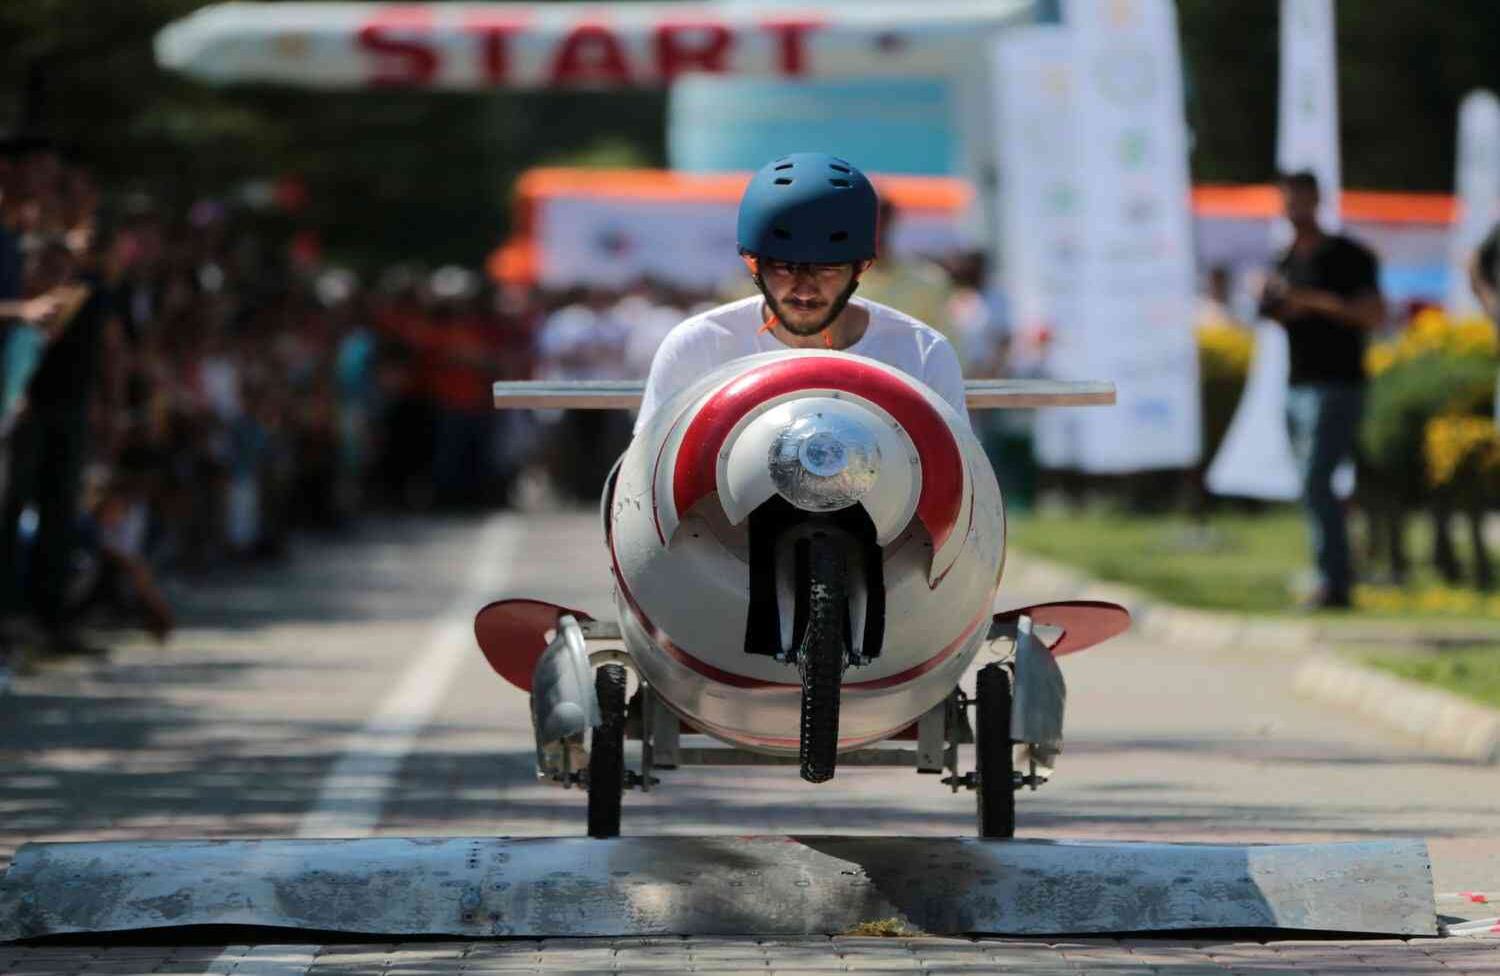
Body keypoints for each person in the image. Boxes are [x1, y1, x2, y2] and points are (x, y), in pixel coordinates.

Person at [637, 153, 966, 434]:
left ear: (861, 267)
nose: (805, 288)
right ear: (753, 265)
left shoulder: (923, 352)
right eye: (783, 267)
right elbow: (646, 478)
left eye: (827, 269)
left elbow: (955, 479)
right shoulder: (697, 346)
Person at [1258, 171, 1386, 610]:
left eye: (1300, 200)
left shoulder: (1347, 255)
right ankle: (1329, 575)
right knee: (1312, 485)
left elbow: (1371, 314)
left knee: (1317, 481)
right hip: (1297, 385)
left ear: (1317, 200)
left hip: (1338, 385)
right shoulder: (1285, 258)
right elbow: (1276, 313)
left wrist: (1310, 301)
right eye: (1287, 201)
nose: (1293, 209)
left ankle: (1334, 583)